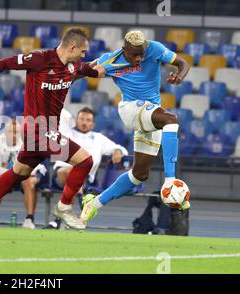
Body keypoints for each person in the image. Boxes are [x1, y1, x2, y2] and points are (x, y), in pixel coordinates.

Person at [0, 28, 104, 237]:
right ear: (72, 47)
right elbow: (3, 63)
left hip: (45, 132)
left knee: (19, 173)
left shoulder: (74, 66)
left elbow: (96, 71)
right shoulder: (39, 59)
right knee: (85, 161)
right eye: (83, 51)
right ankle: (64, 207)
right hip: (36, 128)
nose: (84, 55)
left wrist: (123, 64)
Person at [80, 30, 191, 224]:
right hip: (131, 108)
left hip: (150, 113)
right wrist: (58, 83)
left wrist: (179, 76)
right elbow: (82, 71)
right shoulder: (110, 60)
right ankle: (171, 182)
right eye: (134, 55)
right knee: (171, 120)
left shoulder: (154, 49)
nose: (139, 58)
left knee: (139, 175)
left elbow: (183, 63)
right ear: (124, 49)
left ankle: (93, 204)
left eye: (142, 53)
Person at [45, 107, 128, 229]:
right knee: (72, 173)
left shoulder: (99, 138)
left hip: (87, 179)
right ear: (76, 120)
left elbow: (120, 149)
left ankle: (58, 220)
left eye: (88, 120)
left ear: (93, 124)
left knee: (77, 176)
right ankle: (82, 200)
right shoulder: (66, 132)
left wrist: (118, 151)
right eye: (81, 119)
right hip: (61, 174)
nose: (84, 122)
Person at [0, 118, 39, 229]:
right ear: (5, 132)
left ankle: (29, 219)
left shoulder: (28, 143)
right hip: (8, 174)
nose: (13, 135)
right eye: (10, 132)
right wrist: (11, 173)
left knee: (29, 182)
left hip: (25, 174)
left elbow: (33, 164)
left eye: (16, 132)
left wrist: (19, 173)